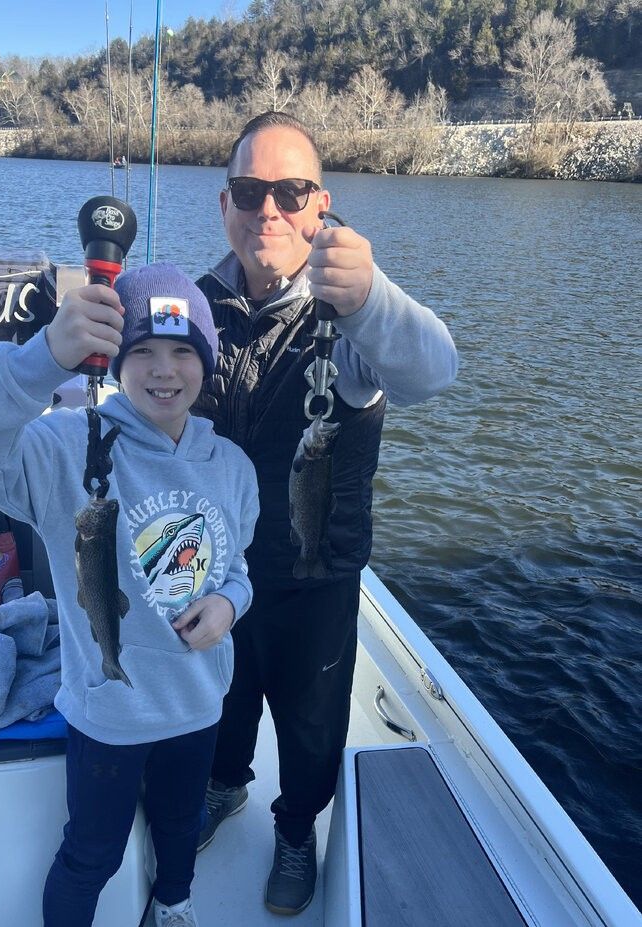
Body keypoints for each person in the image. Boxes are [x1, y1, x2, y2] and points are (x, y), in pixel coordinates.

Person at [187, 111, 459, 916]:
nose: (267, 208)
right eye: (249, 189)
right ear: (225, 203)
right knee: (223, 705)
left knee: (311, 729)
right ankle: (223, 786)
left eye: (289, 190)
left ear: (320, 206)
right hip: (217, 572)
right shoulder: (194, 310)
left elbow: (434, 370)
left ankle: (296, 827)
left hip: (316, 575)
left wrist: (373, 298)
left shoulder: (353, 318)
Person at [0, 263, 259, 927]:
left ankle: (173, 905)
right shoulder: (65, 446)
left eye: (181, 351)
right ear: (114, 361)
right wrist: (42, 359)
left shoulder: (229, 464)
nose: (163, 370)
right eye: (142, 350)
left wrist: (229, 604)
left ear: (206, 362)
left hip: (197, 706)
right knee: (90, 853)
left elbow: (238, 569)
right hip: (107, 714)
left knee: (181, 829)